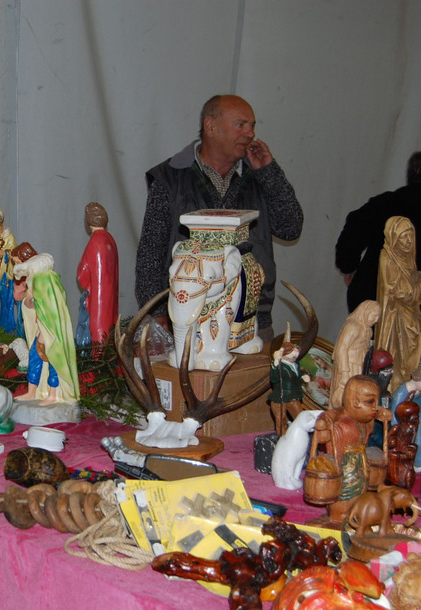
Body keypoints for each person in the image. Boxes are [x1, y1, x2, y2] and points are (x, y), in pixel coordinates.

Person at [135, 94, 303, 342]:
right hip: (187, 322)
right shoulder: (170, 178)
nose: (250, 134)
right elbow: (151, 253)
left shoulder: (262, 175)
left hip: (252, 324)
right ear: (210, 126)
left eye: (252, 126)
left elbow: (290, 228)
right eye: (240, 125)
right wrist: (158, 315)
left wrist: (270, 173)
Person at [335, 150, 421, 320]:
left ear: (409, 176)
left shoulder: (383, 204)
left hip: (373, 298)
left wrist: (349, 266)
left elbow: (352, 233)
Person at [309, 375, 391, 526]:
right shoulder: (339, 417)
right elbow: (330, 417)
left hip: (360, 464)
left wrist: (382, 413)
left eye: (376, 402)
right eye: (370, 402)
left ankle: (353, 516)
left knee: (361, 493)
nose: (375, 406)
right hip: (345, 466)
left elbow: (377, 413)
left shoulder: (364, 419)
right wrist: (324, 420)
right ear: (355, 402)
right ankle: (338, 517)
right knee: (344, 494)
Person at [13, 250, 79, 405]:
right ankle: (32, 391)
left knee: (54, 358)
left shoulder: (46, 283)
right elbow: (31, 306)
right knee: (35, 356)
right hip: (41, 328)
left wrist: (45, 333)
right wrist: (29, 297)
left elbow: (51, 311)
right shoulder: (37, 282)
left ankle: (54, 393)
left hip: (51, 330)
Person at [375, 216, 421, 391]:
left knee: (412, 347)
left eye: (410, 236)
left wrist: (420, 280)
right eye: (403, 237)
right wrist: (415, 288)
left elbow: (409, 287)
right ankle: (395, 385)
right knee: (398, 350)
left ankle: (407, 380)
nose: (407, 241)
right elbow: (395, 291)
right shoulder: (387, 257)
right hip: (395, 316)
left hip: (409, 311)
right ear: (394, 238)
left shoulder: (407, 259)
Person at [75, 202, 119, 346]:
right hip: (109, 295)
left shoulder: (95, 241)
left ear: (88, 221)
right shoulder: (109, 239)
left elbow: (83, 273)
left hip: (95, 296)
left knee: (94, 327)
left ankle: (93, 352)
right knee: (108, 322)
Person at [330, 300, 380, 410]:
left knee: (356, 397)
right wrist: (344, 373)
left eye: (378, 317)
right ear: (366, 311)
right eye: (374, 315)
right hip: (349, 366)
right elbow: (341, 349)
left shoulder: (368, 330)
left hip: (360, 366)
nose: (376, 320)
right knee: (345, 398)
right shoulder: (352, 327)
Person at [269, 341, 310, 437]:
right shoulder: (279, 365)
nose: (295, 355)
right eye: (292, 352)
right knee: (281, 419)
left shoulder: (296, 364)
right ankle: (283, 438)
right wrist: (276, 363)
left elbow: (298, 374)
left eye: (296, 352)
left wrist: (303, 375)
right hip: (280, 398)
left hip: (293, 396)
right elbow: (274, 379)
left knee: (300, 416)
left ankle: (302, 436)